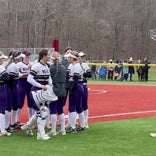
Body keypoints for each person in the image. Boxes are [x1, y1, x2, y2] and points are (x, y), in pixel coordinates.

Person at [21, 49, 53, 140]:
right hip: (36, 92)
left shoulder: (46, 66)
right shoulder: (36, 66)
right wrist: (41, 85)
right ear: (43, 56)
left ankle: (27, 126)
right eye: (48, 55)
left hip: (44, 92)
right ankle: (40, 135)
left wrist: (50, 83)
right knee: (43, 112)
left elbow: (49, 77)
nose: (49, 57)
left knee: (41, 112)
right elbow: (29, 79)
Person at [65, 50, 86, 133]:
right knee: (78, 107)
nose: (67, 58)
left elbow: (76, 79)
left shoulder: (76, 66)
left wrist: (70, 88)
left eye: (69, 57)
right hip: (78, 86)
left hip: (76, 87)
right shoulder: (72, 65)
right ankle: (82, 125)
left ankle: (73, 127)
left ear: (72, 58)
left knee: (72, 107)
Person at [47, 52, 67, 136]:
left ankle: (53, 130)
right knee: (60, 110)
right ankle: (62, 129)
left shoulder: (50, 68)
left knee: (53, 110)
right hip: (62, 90)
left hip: (54, 90)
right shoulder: (63, 67)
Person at [16, 50, 33, 124]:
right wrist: (26, 73)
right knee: (20, 103)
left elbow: (34, 74)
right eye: (26, 56)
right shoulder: (19, 64)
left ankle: (31, 119)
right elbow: (18, 75)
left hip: (29, 83)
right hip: (22, 83)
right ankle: (16, 120)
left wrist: (31, 69)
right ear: (23, 56)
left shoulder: (31, 64)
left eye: (28, 56)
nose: (28, 57)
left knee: (30, 103)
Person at [78, 51, 91, 128]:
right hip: (76, 85)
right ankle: (76, 121)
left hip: (83, 85)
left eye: (83, 57)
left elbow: (89, 75)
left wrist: (83, 73)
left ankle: (85, 122)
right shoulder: (73, 65)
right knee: (76, 105)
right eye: (80, 56)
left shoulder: (85, 64)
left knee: (84, 104)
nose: (82, 58)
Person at [0, 51, 11, 136]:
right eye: (2, 58)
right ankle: (3, 130)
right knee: (1, 110)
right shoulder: (1, 68)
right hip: (1, 88)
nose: (3, 60)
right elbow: (7, 77)